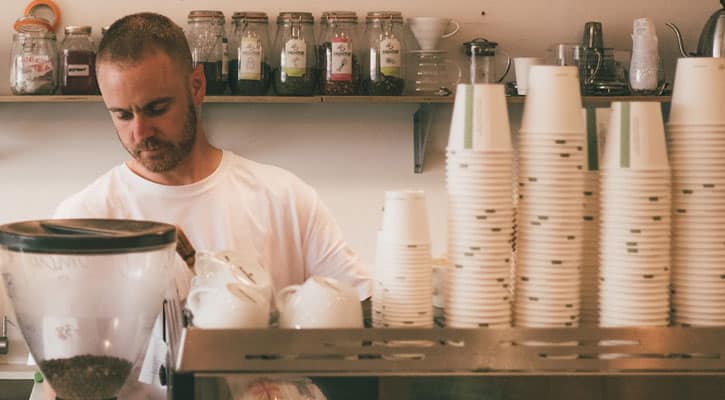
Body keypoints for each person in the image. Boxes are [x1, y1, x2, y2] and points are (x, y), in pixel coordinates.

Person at [42, 12, 371, 399]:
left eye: (156, 108)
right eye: (122, 114)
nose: (140, 132)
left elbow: (360, 322)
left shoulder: (285, 199)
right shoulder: (84, 218)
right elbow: (58, 379)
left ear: (196, 85)